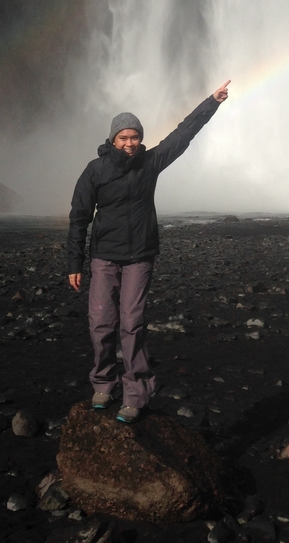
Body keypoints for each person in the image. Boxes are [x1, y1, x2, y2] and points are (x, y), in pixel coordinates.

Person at [67, 80, 230, 423]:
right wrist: (74, 263)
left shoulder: (150, 163)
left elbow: (183, 134)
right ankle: (102, 382)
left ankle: (136, 392)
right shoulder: (95, 171)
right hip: (104, 256)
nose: (129, 143)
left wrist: (211, 102)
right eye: (123, 137)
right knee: (100, 321)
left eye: (134, 136)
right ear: (112, 140)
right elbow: (79, 217)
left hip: (140, 255)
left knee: (132, 323)